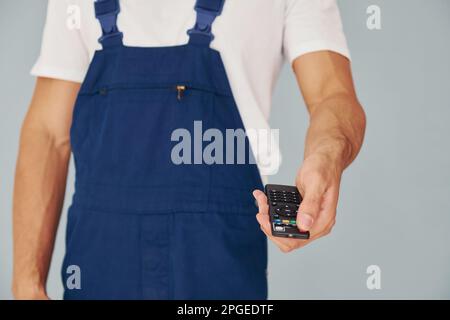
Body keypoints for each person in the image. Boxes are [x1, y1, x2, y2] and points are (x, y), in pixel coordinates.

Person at [12, 0, 366, 300]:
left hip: (218, 263)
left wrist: (326, 156)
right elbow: (47, 132)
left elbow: (332, 96)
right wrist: (27, 285)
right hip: (100, 261)